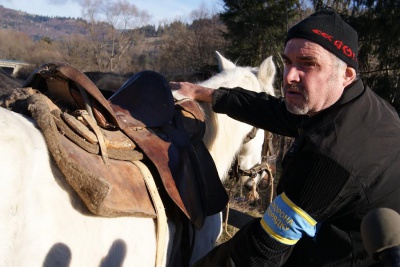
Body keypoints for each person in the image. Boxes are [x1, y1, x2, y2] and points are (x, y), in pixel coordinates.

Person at [170, 8, 400, 266]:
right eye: (288, 61)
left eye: (308, 63)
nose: (290, 75)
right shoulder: (354, 104)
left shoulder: (330, 156)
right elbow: (276, 111)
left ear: (346, 74)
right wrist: (210, 94)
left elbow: (259, 251)